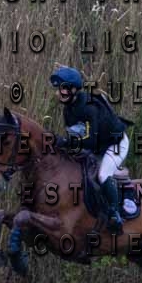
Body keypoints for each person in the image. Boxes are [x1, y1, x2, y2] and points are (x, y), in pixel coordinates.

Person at [49, 65, 132, 232]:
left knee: (102, 174)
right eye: (58, 89)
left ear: (74, 89)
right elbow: (77, 138)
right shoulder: (68, 110)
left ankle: (115, 214)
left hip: (115, 144)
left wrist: (65, 142)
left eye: (63, 89)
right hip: (98, 146)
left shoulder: (88, 107)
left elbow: (91, 141)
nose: (59, 93)